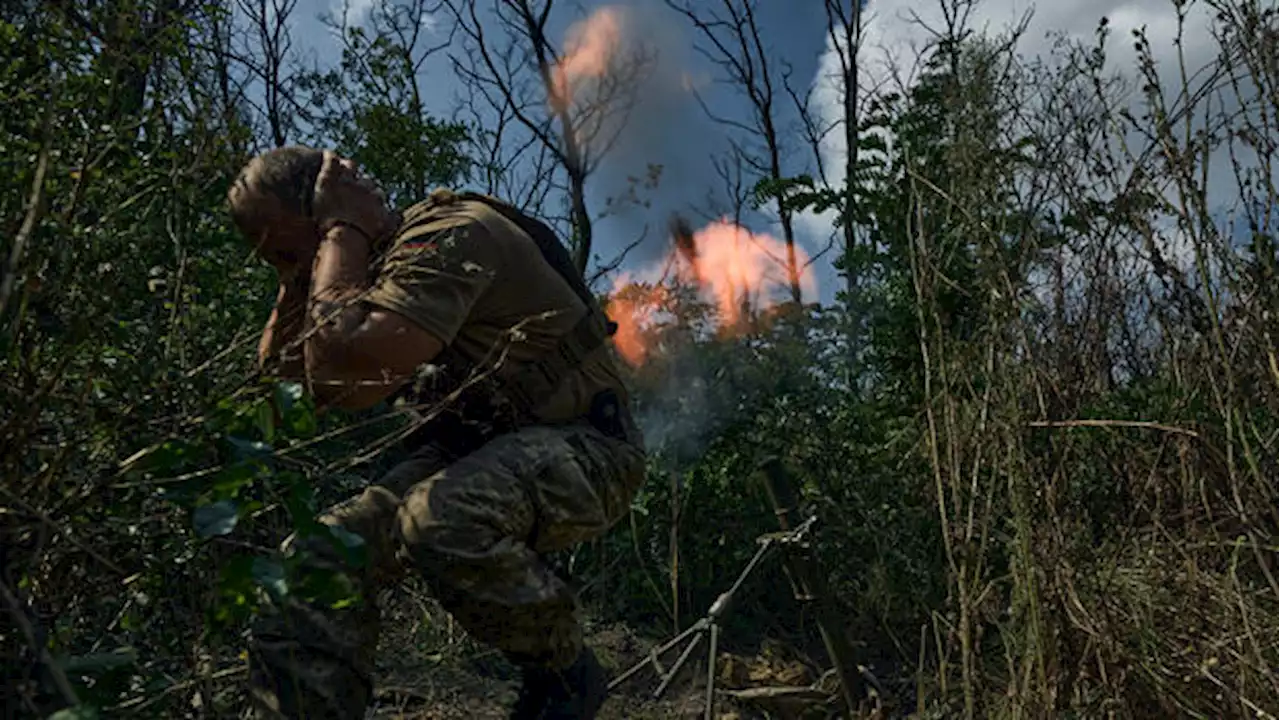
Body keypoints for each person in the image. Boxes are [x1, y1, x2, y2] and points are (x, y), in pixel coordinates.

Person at [225, 145, 647, 719]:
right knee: (314, 557)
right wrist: (297, 276)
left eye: (286, 249)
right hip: (469, 456)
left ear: (323, 212)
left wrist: (341, 230)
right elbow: (286, 399)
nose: (290, 267)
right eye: (271, 258)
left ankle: (564, 676)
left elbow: (353, 368)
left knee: (438, 518)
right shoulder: (348, 269)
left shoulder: (450, 236)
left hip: (589, 451)